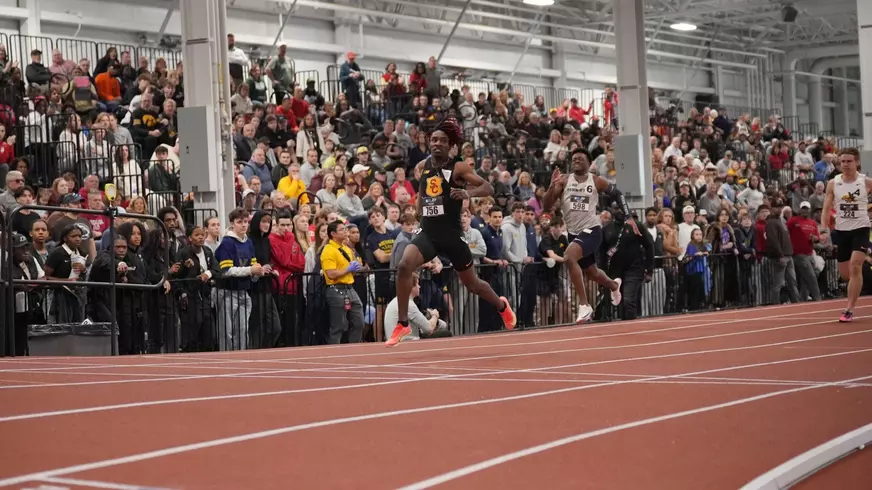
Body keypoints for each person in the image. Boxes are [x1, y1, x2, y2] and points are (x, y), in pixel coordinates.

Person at [388, 116, 516, 347]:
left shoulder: (458, 167)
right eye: (434, 140)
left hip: (452, 236)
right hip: (428, 233)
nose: (436, 143)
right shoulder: (423, 166)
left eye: (442, 141)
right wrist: (418, 210)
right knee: (405, 265)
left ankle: (501, 306)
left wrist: (467, 194)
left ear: (450, 145)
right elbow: (423, 192)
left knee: (473, 284)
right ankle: (404, 323)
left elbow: (486, 186)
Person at [542, 148, 633, 324]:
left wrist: (628, 216)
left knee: (569, 257)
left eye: (580, 158)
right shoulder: (563, 181)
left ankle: (584, 306)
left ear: (589, 162)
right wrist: (551, 186)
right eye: (574, 158)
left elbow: (617, 194)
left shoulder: (596, 181)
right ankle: (614, 285)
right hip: (574, 233)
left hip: (592, 230)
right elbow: (547, 205)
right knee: (592, 273)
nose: (576, 160)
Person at [821, 148, 872, 322]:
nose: (845, 164)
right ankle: (856, 280)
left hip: (861, 229)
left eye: (849, 161)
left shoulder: (866, 182)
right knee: (845, 274)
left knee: (855, 266)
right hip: (842, 231)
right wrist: (823, 228)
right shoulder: (833, 183)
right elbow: (827, 208)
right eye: (842, 161)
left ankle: (849, 308)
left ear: (856, 162)